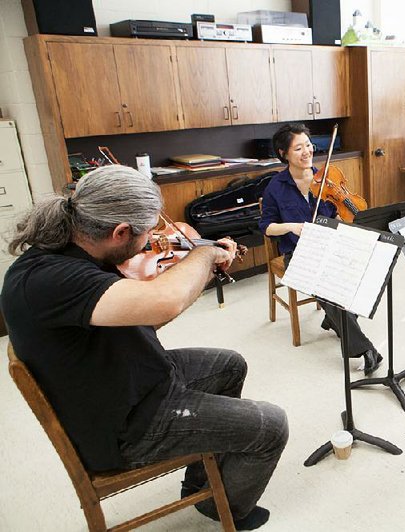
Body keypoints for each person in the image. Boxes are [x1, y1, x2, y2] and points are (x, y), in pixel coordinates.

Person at [1, 165, 288, 531]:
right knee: (271, 426)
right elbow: (165, 301)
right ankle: (225, 510)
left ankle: (200, 484)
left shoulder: (74, 251)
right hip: (124, 424)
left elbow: (145, 318)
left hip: (126, 378)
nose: (152, 241)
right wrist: (203, 255)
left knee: (229, 365)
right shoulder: (49, 279)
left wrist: (198, 275)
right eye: (146, 233)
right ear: (119, 232)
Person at [259, 123, 383, 374]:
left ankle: (334, 317)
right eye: (298, 148)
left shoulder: (327, 179)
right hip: (298, 253)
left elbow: (341, 214)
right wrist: (291, 226)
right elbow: (266, 227)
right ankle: (364, 348)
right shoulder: (275, 187)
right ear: (284, 153)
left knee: (366, 267)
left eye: (308, 145)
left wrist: (346, 216)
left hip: (330, 246)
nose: (306, 152)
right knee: (325, 284)